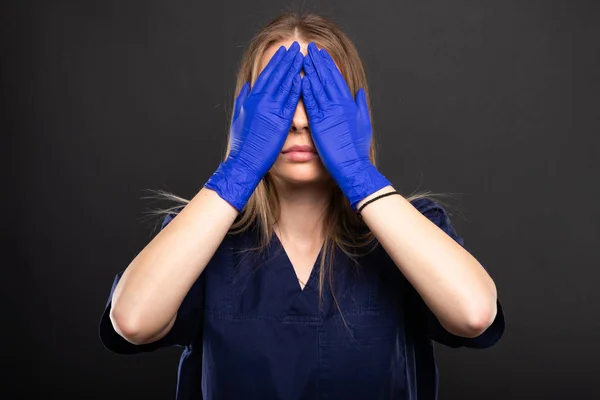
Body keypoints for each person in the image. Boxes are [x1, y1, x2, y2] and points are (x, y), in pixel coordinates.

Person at [99, 12, 504, 400]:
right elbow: (132, 322)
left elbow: (475, 314)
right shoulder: (202, 234)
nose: (299, 121)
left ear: (356, 114)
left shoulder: (412, 228)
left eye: (319, 96)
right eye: (278, 96)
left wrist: (359, 174)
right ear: (244, 112)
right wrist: (239, 167)